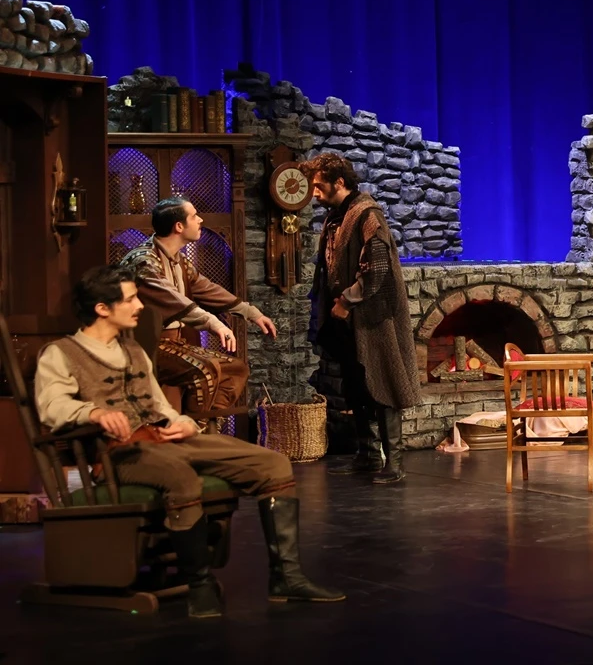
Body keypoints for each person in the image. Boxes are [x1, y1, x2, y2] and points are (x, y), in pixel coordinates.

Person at [34, 265, 344, 618]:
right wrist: (92, 413)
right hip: (120, 453)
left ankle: (286, 578)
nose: (139, 306)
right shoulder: (61, 353)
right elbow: (52, 407)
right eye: (130, 299)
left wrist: (181, 422)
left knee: (272, 463)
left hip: (166, 440)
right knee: (180, 477)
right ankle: (199, 584)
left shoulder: (132, 349)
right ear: (102, 308)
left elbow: (158, 404)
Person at [301, 153, 421, 484]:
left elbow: (377, 268)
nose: (315, 193)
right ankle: (368, 454)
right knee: (356, 386)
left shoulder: (367, 214)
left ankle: (394, 462)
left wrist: (347, 300)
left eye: (319, 186)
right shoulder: (337, 216)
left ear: (339, 182)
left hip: (371, 317)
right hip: (345, 320)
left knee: (382, 383)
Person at [119, 196, 277, 428]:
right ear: (179, 226)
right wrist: (213, 323)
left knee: (236, 369)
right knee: (204, 371)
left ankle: (207, 426)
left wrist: (252, 313)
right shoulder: (144, 261)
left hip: (175, 343)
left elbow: (207, 288)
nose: (200, 220)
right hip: (147, 346)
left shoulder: (179, 261)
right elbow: (173, 300)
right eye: (194, 216)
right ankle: (194, 432)